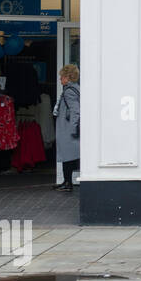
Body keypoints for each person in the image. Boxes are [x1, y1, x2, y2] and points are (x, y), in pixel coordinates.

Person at [53, 64, 81, 192]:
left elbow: (75, 110)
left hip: (68, 129)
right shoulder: (76, 89)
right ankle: (66, 181)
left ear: (67, 77)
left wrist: (73, 128)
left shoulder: (69, 91)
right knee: (69, 155)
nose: (60, 79)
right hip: (69, 128)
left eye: (62, 77)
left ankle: (68, 182)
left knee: (68, 156)